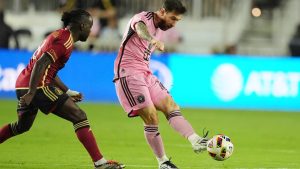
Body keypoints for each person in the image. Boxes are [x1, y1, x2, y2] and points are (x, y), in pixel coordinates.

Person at [0, 9, 124, 169]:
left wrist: (67, 91)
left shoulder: (61, 35)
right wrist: (31, 92)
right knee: (79, 116)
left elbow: (50, 69)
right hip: (37, 86)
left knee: (21, 126)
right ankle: (100, 163)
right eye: (89, 26)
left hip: (23, 83)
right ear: (81, 25)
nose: (91, 30)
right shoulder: (65, 40)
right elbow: (41, 63)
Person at [113, 0, 208, 169]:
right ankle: (163, 162)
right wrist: (152, 39)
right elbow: (140, 30)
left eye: (177, 20)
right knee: (151, 117)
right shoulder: (142, 18)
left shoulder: (161, 29)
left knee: (171, 105)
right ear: (163, 11)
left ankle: (196, 140)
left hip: (145, 73)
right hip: (128, 74)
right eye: (172, 18)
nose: (173, 24)